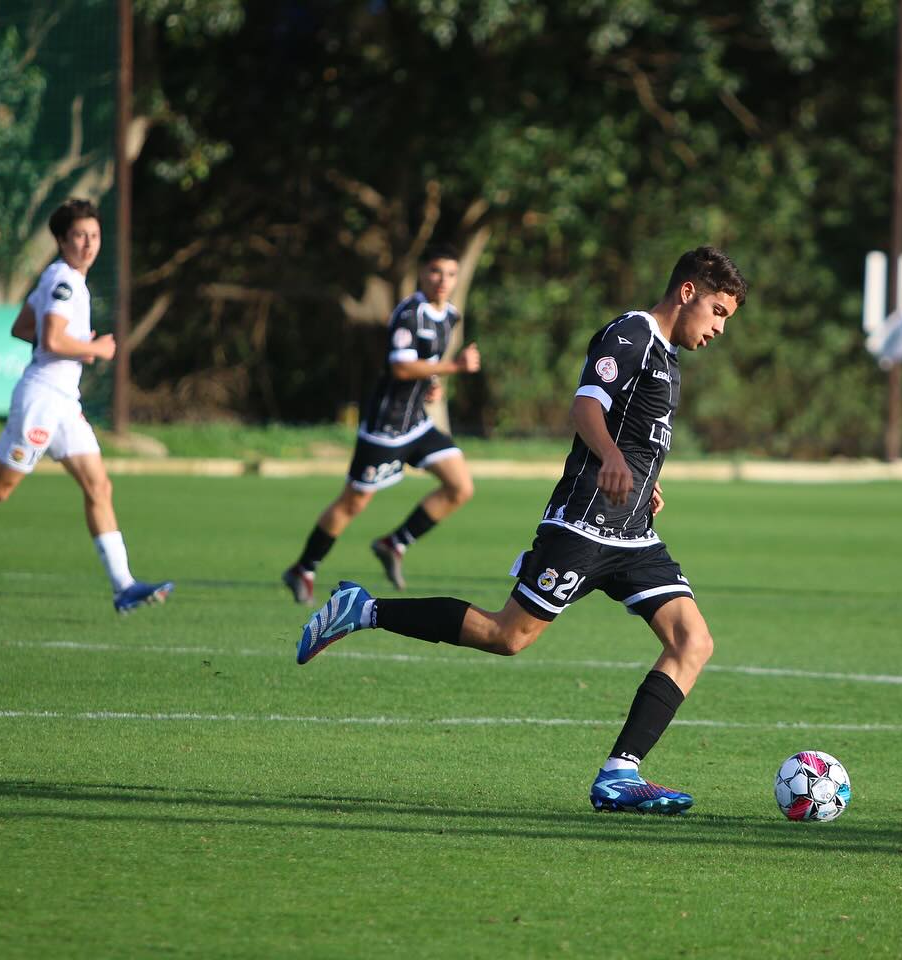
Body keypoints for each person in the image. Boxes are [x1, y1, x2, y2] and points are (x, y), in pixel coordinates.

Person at [294, 246, 747, 815]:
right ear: (688, 292)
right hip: (584, 523)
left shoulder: (666, 356)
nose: (720, 328)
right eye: (719, 311)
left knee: (693, 642)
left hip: (632, 533)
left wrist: (643, 478)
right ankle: (365, 609)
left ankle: (619, 774)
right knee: (507, 636)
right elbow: (587, 407)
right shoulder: (629, 334)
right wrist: (609, 458)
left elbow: (635, 429)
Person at [0, 198, 173, 613]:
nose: (88, 244)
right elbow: (52, 340)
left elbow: (22, 326)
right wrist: (92, 347)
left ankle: (124, 587)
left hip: (64, 404)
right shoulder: (65, 282)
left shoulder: (60, 278)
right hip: (42, 400)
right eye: (79, 235)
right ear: (61, 240)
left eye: (94, 236)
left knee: (99, 486)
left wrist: (72, 346)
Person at [282, 243, 481, 604]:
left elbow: (424, 364)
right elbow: (401, 366)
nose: (443, 280)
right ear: (422, 273)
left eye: (451, 273)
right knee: (353, 503)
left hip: (416, 424)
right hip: (384, 428)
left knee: (460, 487)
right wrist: (453, 369)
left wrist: (431, 385)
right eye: (436, 271)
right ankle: (303, 568)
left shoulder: (450, 315)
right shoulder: (409, 313)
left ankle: (394, 544)